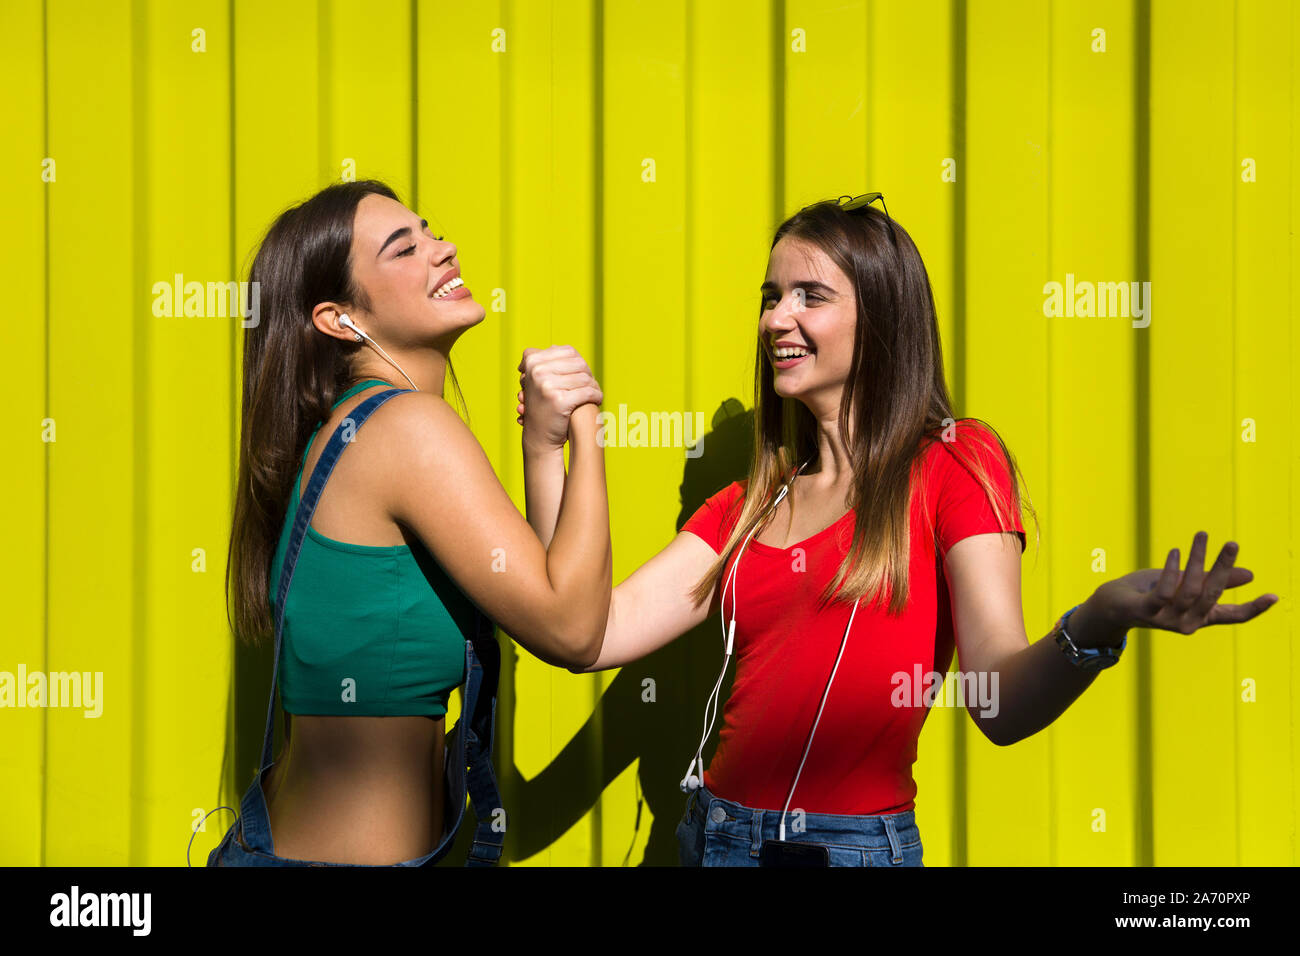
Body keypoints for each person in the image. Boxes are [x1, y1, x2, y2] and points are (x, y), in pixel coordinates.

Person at [516, 193, 1280, 867]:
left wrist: (1098, 621)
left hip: (847, 853)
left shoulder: (954, 464)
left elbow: (999, 704)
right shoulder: (746, 507)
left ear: (879, 318)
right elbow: (582, 633)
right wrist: (552, 448)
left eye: (809, 296)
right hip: (713, 838)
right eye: (771, 295)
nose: (776, 318)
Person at [215, 179, 611, 866]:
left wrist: (544, 449)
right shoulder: (408, 428)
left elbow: (548, 590)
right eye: (405, 249)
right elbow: (574, 630)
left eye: (431, 232)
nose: (443, 249)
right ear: (339, 319)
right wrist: (588, 428)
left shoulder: (352, 430)